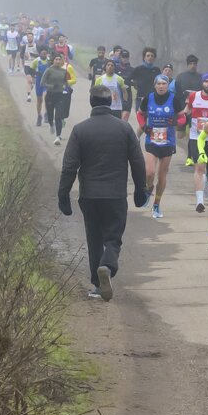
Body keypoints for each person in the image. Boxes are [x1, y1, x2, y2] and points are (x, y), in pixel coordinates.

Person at [58, 85, 148, 301]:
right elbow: (138, 162)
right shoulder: (124, 129)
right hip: (116, 195)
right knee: (113, 238)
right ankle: (107, 265)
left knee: (94, 238)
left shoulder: (80, 130)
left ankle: (98, 285)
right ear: (110, 102)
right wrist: (140, 190)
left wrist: (63, 195)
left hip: (89, 196)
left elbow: (69, 166)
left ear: (91, 102)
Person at [139, 73, 187, 218]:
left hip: (168, 142)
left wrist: (176, 122)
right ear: (155, 86)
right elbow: (140, 114)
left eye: (164, 84)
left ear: (167, 86)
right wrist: (144, 126)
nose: (161, 86)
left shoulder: (174, 99)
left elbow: (183, 117)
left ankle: (156, 204)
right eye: (158, 84)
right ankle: (149, 188)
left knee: (161, 175)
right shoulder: (148, 98)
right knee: (149, 172)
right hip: (152, 141)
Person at [185, 73, 208, 215]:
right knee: (199, 167)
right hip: (196, 137)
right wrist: (181, 120)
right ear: (202, 83)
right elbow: (187, 110)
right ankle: (199, 201)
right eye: (206, 81)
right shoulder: (194, 96)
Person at [41, 51, 77, 145]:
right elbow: (42, 83)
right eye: (56, 59)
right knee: (50, 115)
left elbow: (65, 82)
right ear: (53, 61)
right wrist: (51, 86)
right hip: (50, 95)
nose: (58, 61)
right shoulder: (49, 70)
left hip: (60, 96)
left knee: (58, 117)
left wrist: (68, 87)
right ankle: (51, 124)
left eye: (59, 59)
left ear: (61, 61)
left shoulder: (64, 71)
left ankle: (58, 137)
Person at [128, 48, 162, 136]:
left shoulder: (157, 70)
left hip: (153, 100)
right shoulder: (139, 69)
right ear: (144, 57)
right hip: (141, 99)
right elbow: (127, 80)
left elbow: (160, 83)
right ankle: (137, 139)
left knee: (153, 122)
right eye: (148, 55)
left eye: (152, 56)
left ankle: (152, 140)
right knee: (142, 123)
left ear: (154, 58)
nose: (150, 57)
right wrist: (135, 84)